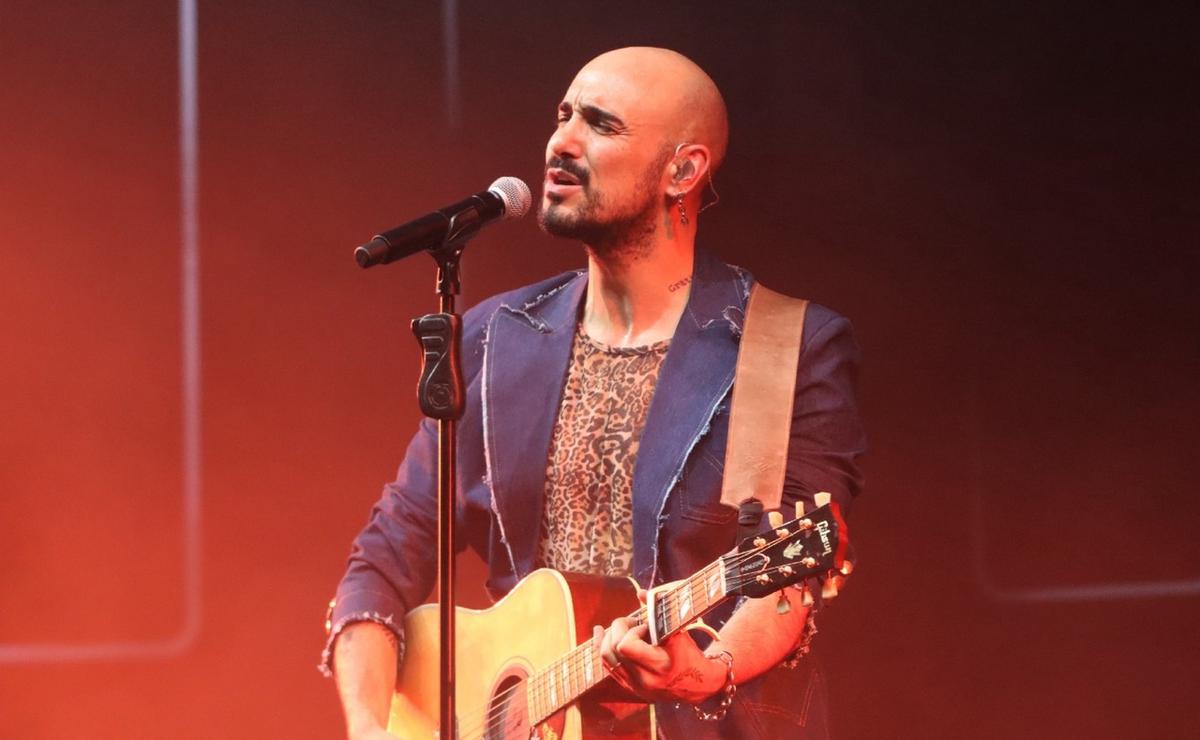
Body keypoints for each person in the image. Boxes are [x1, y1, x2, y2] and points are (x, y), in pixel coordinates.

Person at [321, 47, 866, 739]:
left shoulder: (787, 347)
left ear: (683, 171)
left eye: (601, 124)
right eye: (563, 115)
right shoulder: (491, 338)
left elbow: (786, 582)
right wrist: (369, 727)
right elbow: (386, 555)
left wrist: (700, 672)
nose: (562, 142)